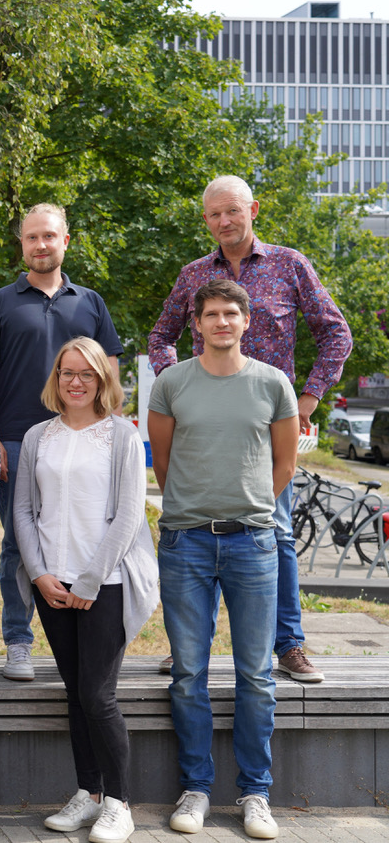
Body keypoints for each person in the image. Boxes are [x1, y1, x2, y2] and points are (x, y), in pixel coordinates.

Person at [148, 175, 351, 684]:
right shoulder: (193, 274)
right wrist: (177, 387)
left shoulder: (289, 263)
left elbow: (336, 331)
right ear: (206, 220)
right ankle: (191, 647)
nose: (224, 222)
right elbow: (160, 336)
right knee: (201, 532)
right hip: (204, 427)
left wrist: (308, 397)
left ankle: (289, 645)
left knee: (275, 534)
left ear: (252, 209)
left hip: (267, 425)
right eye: (215, 214)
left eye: (233, 211)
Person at [148, 279, 298, 841]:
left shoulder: (272, 383)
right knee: (188, 673)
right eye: (210, 314)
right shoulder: (172, 383)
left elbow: (283, 465)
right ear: (197, 323)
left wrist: (248, 506)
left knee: (256, 675)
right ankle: (197, 789)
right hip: (185, 542)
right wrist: (196, 506)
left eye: (230, 313)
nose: (221, 322)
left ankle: (255, 792)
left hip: (253, 543)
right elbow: (163, 461)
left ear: (245, 320)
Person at [13, 337, 160, 843]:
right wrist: (38, 574)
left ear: (103, 380)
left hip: (108, 582)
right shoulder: (38, 436)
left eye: (87, 374)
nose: (75, 382)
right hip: (53, 581)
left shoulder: (121, 435)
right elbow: (23, 512)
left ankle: (120, 803)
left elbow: (128, 514)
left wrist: (92, 581)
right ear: (56, 378)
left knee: (98, 695)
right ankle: (88, 793)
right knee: (75, 694)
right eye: (66, 372)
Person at [0, 203, 123, 682]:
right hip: (19, 440)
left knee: (88, 532)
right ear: (21, 244)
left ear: (66, 241)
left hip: (85, 441)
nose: (40, 245)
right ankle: (18, 642)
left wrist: (113, 436)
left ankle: (87, 630)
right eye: (31, 238)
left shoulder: (91, 302)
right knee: (20, 545)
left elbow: (109, 374)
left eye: (49, 236)